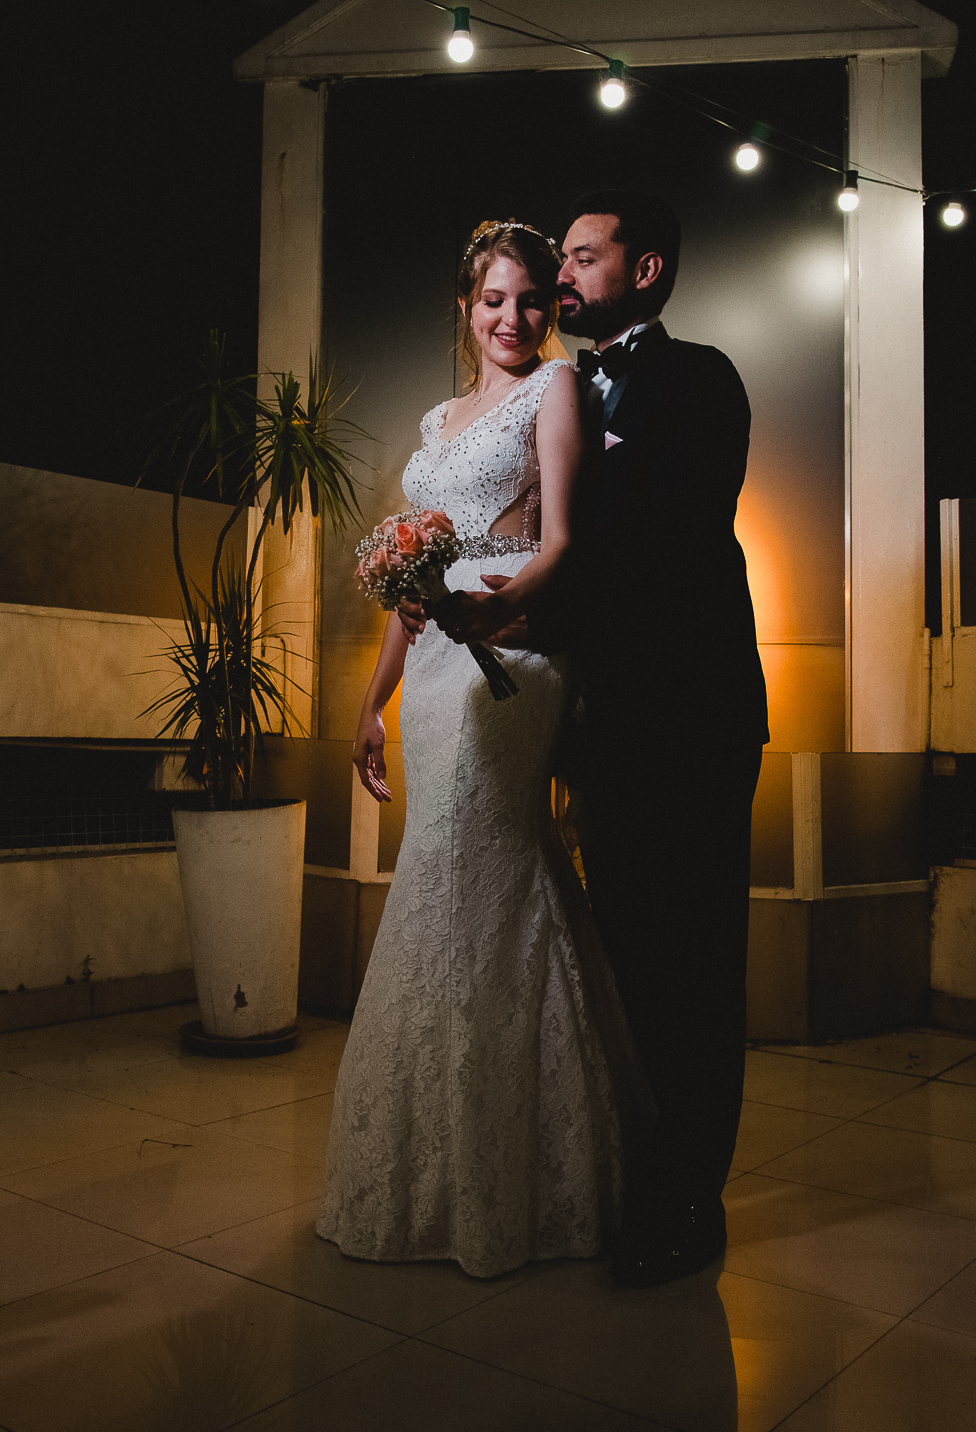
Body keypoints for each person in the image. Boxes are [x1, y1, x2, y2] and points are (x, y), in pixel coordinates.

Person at [317, 220, 645, 1280]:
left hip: (514, 650)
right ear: (465, 308)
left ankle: (515, 1171)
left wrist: (499, 612)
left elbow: (566, 541)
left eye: (531, 299)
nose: (513, 317)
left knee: (481, 864)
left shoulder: (557, 390)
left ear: (549, 308)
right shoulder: (436, 420)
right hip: (432, 668)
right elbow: (409, 591)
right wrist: (373, 702)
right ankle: (445, 1160)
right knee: (448, 875)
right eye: (493, 300)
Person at [553, 190, 769, 1287]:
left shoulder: (702, 380)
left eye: (584, 256)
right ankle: (640, 1171)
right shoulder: (558, 393)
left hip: (695, 718)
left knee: (697, 961)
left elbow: (668, 535)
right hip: (604, 727)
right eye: (560, 257)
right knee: (628, 957)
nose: (563, 273)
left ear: (644, 272)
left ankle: (693, 1197)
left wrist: (538, 574)